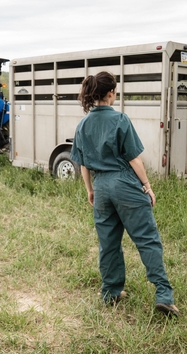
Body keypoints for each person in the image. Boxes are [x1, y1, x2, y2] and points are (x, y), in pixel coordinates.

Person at [70, 71, 179, 316]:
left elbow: (84, 164)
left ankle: (111, 291)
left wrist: (90, 190)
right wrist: (148, 186)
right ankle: (163, 294)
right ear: (110, 93)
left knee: (108, 243)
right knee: (146, 239)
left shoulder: (83, 124)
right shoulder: (120, 119)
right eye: (115, 90)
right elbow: (134, 159)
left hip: (101, 188)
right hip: (124, 183)